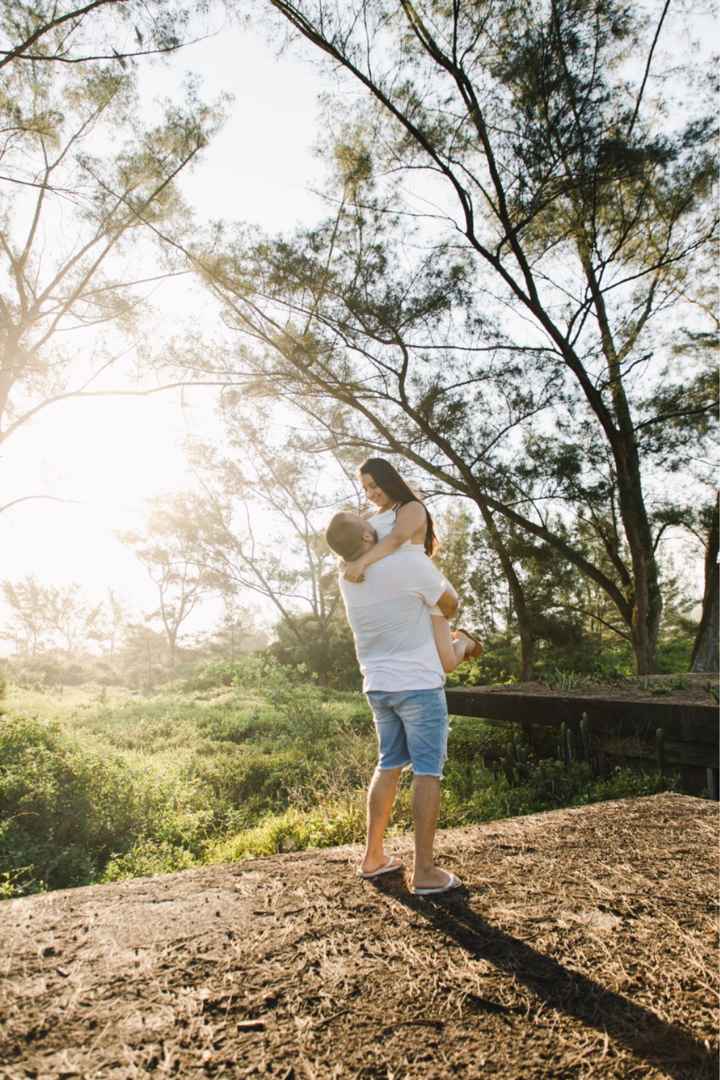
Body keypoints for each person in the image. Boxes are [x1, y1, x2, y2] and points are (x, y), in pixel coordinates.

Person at [325, 509, 462, 896]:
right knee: (427, 772)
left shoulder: (348, 576)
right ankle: (425, 872)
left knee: (388, 766)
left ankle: (373, 857)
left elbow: (368, 540)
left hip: (378, 685)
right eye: (368, 524)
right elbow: (450, 604)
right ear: (368, 539)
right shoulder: (404, 564)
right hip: (417, 683)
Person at [343, 457, 482, 670]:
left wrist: (362, 563)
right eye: (365, 489)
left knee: (448, 664)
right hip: (399, 592)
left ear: (387, 479)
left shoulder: (411, 508)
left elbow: (397, 539)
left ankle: (462, 640)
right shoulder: (369, 519)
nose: (370, 494)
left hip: (424, 581)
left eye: (374, 485)